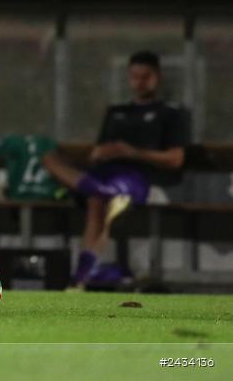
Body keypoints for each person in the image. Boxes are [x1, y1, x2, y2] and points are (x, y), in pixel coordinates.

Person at [42, 50, 190, 289]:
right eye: (134, 76)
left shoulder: (172, 113)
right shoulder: (116, 111)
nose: (139, 82)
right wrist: (99, 153)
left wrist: (132, 152)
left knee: (96, 201)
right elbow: (97, 152)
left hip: (141, 178)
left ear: (157, 77)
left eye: (145, 76)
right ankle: (105, 193)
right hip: (106, 174)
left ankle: (80, 277)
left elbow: (175, 159)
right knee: (49, 159)